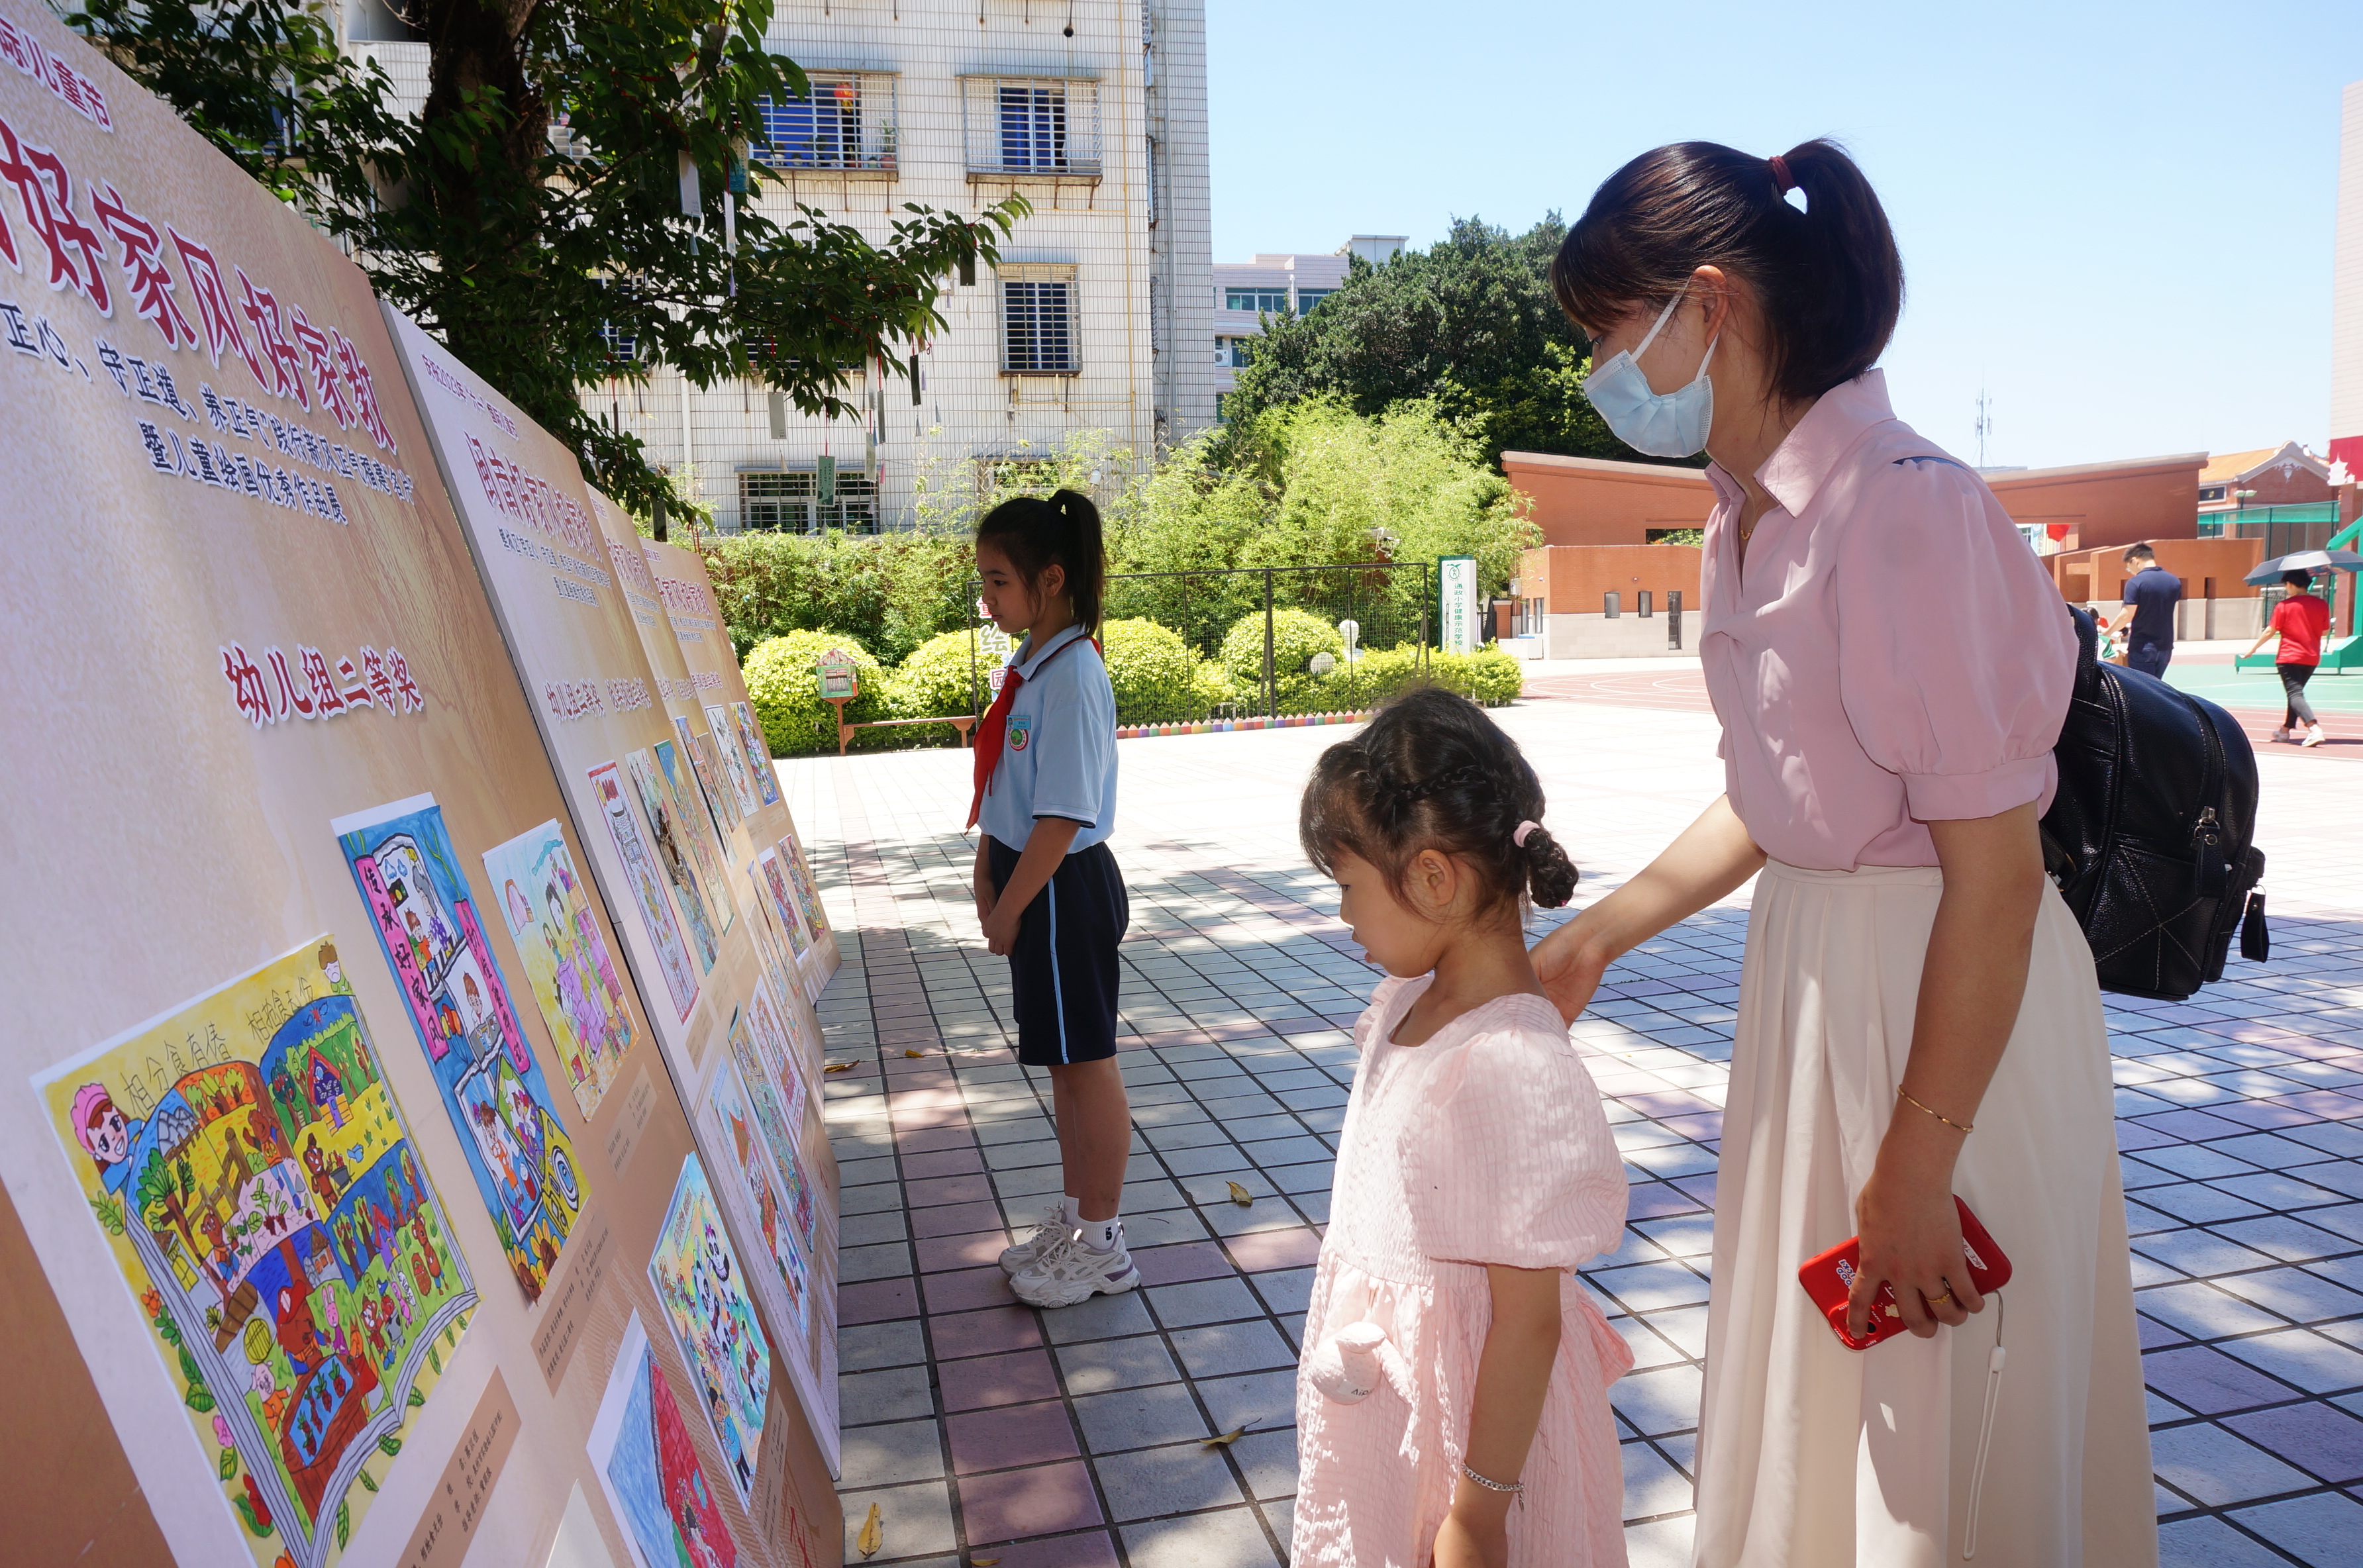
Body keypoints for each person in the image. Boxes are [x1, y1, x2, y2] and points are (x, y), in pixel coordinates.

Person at [1534, 140, 2154, 1567]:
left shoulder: (1902, 504)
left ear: (1706, 304)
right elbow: (1782, 801)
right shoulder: (1742, 510)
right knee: (1831, 1410)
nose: (1596, 370)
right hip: (1822, 991)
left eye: (1605, 331)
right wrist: (1594, 937)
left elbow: (1995, 878)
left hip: (1945, 1008)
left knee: (1932, 1432)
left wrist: (1917, 1165)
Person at [1291, 688, 1630, 1568]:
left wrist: (1478, 1514)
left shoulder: (1508, 1065)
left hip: (1479, 1443)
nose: (1344, 916)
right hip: (1395, 1416)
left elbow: (1528, 1322)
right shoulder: (1408, 1000)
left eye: (1349, 887)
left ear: (1434, 878)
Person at [969, 489, 1135, 1308]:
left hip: (1062, 890)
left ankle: (1103, 1244)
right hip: (1036, 881)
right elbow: (1012, 787)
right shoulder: (1034, 666)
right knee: (1065, 1067)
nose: (987, 598)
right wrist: (985, 871)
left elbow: (1063, 816)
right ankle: (1077, 1222)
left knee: (1087, 1064)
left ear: (1052, 579)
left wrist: (1009, 906)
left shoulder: (1070, 676)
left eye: (999, 581)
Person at [2246, 569, 2332, 746]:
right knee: (2295, 694)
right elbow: (2325, 631)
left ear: (2291, 584)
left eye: (2286, 585)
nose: (2286, 588)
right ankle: (2285, 730)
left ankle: (2314, 728)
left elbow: (2270, 631)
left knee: (2295, 694)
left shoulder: (2284, 606)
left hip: (2289, 656)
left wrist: (2253, 649)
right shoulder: (2321, 604)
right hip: (2311, 657)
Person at [2109, 544, 2182, 679]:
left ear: (2135, 561)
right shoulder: (2174, 581)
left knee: (2142, 688)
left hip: (2142, 647)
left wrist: (2107, 634)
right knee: (2156, 686)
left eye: (2128, 568)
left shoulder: (2136, 582)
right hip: (2165, 646)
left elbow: (2126, 615)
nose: (2130, 571)